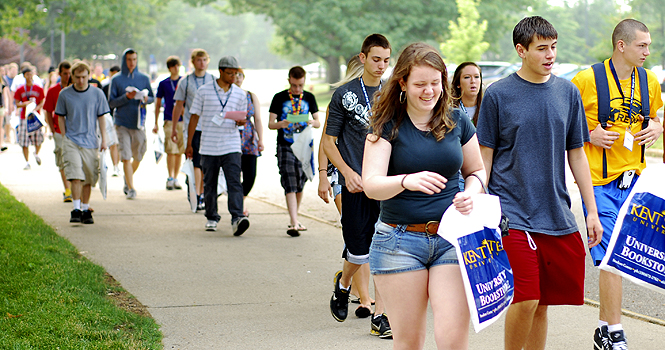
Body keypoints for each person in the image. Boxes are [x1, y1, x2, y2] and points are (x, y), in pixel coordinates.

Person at [476, 16, 603, 350]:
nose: (550, 55)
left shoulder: (568, 93)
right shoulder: (498, 94)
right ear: (521, 50)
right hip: (511, 213)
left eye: (554, 47)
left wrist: (591, 211)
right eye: (542, 48)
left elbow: (577, 154)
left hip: (554, 212)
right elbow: (484, 156)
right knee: (526, 296)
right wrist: (477, 201)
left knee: (543, 302)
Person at [363, 41, 485, 350]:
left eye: (435, 83)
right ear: (402, 82)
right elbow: (371, 184)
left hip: (452, 239)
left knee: (452, 339)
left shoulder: (457, 119)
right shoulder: (387, 123)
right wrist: (406, 180)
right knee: (409, 342)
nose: (429, 91)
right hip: (399, 242)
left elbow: (477, 173)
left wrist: (471, 192)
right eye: (420, 84)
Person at [571, 19, 663, 350]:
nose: (648, 52)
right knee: (611, 255)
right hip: (597, 183)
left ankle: (602, 331)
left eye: (649, 45)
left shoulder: (649, 81)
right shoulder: (585, 79)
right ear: (621, 45)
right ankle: (616, 334)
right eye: (642, 45)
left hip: (634, 182)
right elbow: (562, 119)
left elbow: (656, 115)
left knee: (621, 255)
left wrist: (656, 126)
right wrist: (588, 133)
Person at [322, 33, 392, 337]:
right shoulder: (344, 95)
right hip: (354, 185)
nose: (381, 66)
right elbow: (328, 141)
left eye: (387, 60)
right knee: (358, 251)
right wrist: (346, 172)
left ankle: (381, 317)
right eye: (376, 59)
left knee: (386, 249)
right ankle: (344, 284)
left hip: (387, 185)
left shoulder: (394, 94)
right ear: (362, 58)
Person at [317, 55, 375, 313]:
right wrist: (322, 175)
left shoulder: (385, 94)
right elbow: (325, 141)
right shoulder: (342, 98)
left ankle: (372, 305)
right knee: (358, 240)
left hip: (378, 179)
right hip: (345, 176)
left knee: (374, 241)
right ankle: (355, 290)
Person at [186, 56, 249, 235]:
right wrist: (190, 143)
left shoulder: (239, 94)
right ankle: (211, 216)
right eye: (230, 73)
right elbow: (194, 117)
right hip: (209, 145)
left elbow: (242, 122)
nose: (233, 77)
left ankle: (237, 217)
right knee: (210, 183)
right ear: (220, 71)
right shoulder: (204, 91)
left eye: (236, 74)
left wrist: (240, 121)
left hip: (231, 145)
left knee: (234, 182)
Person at [268, 66, 321, 236]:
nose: (297, 89)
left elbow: (318, 121)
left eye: (300, 85)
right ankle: (293, 222)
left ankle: (295, 218)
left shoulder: (310, 97)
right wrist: (281, 124)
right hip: (286, 145)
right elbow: (270, 124)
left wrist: (312, 122)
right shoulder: (279, 97)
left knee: (300, 182)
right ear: (289, 80)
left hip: (305, 145)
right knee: (289, 180)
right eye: (294, 85)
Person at [54, 62, 110, 224]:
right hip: (72, 140)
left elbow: (101, 117)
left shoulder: (97, 94)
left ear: (89, 75)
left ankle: (86, 209)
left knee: (89, 177)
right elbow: (60, 116)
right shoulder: (65, 94)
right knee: (75, 175)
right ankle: (76, 209)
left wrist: (104, 139)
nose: (80, 81)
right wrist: (64, 136)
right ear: (72, 76)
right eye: (77, 77)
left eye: (84, 77)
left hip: (91, 141)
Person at [108, 48, 155, 199]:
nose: (132, 63)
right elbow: (111, 102)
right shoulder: (116, 80)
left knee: (138, 156)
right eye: (129, 60)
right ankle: (131, 188)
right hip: (122, 123)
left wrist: (146, 99)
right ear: (124, 61)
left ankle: (127, 179)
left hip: (139, 123)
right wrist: (126, 97)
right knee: (126, 156)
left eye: (134, 59)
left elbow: (153, 97)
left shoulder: (144, 78)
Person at [173, 49, 214, 212]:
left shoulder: (213, 80)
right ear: (193, 62)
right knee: (196, 160)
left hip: (210, 127)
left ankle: (203, 191)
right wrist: (175, 128)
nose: (201, 63)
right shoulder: (186, 82)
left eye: (204, 60)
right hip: (193, 127)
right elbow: (178, 105)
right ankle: (198, 194)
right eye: (198, 60)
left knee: (207, 162)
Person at [233, 68, 264, 216]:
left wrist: (260, 139)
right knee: (234, 175)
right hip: (231, 137)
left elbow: (257, 119)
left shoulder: (251, 96)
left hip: (249, 138)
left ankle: (240, 201)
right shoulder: (228, 95)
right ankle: (240, 207)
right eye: (235, 75)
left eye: (240, 75)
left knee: (250, 175)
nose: (238, 78)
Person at [43, 60, 73, 202]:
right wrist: (52, 130)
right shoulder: (53, 91)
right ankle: (67, 190)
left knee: (73, 161)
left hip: (74, 131)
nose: (67, 76)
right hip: (59, 131)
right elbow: (48, 111)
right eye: (65, 73)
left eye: (69, 73)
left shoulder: (75, 89)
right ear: (60, 74)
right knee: (62, 160)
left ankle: (74, 188)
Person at [153, 56, 184, 190]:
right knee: (171, 149)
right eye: (173, 66)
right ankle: (170, 176)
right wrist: (155, 122)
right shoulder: (164, 83)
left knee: (179, 151)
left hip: (183, 119)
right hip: (169, 118)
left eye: (177, 66)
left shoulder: (184, 82)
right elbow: (158, 102)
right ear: (169, 68)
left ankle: (176, 177)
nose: (175, 68)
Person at [14, 67, 46, 170]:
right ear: (24, 75)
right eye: (27, 74)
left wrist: (36, 108)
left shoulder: (38, 88)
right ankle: (27, 161)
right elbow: (17, 103)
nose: (29, 76)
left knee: (39, 138)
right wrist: (25, 104)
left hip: (35, 117)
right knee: (24, 140)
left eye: (31, 74)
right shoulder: (20, 89)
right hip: (24, 117)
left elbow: (42, 100)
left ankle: (36, 153)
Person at [102, 65, 121, 177]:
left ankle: (116, 165)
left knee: (115, 144)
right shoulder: (105, 87)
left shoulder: (121, 86)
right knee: (111, 142)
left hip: (118, 117)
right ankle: (112, 165)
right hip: (107, 117)